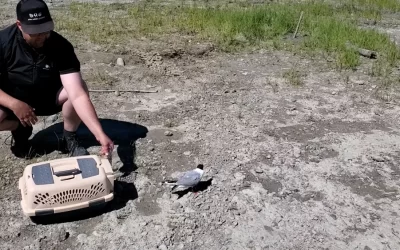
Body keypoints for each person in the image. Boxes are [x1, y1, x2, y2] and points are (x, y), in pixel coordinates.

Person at [0, 0, 114, 158]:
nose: (42, 37)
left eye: (45, 30)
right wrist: (14, 104)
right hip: (14, 99)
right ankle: (19, 128)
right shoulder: (3, 42)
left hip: (48, 98)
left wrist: (99, 134)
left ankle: (69, 137)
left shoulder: (61, 46)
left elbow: (77, 93)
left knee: (79, 85)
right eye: (35, 32)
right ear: (19, 25)